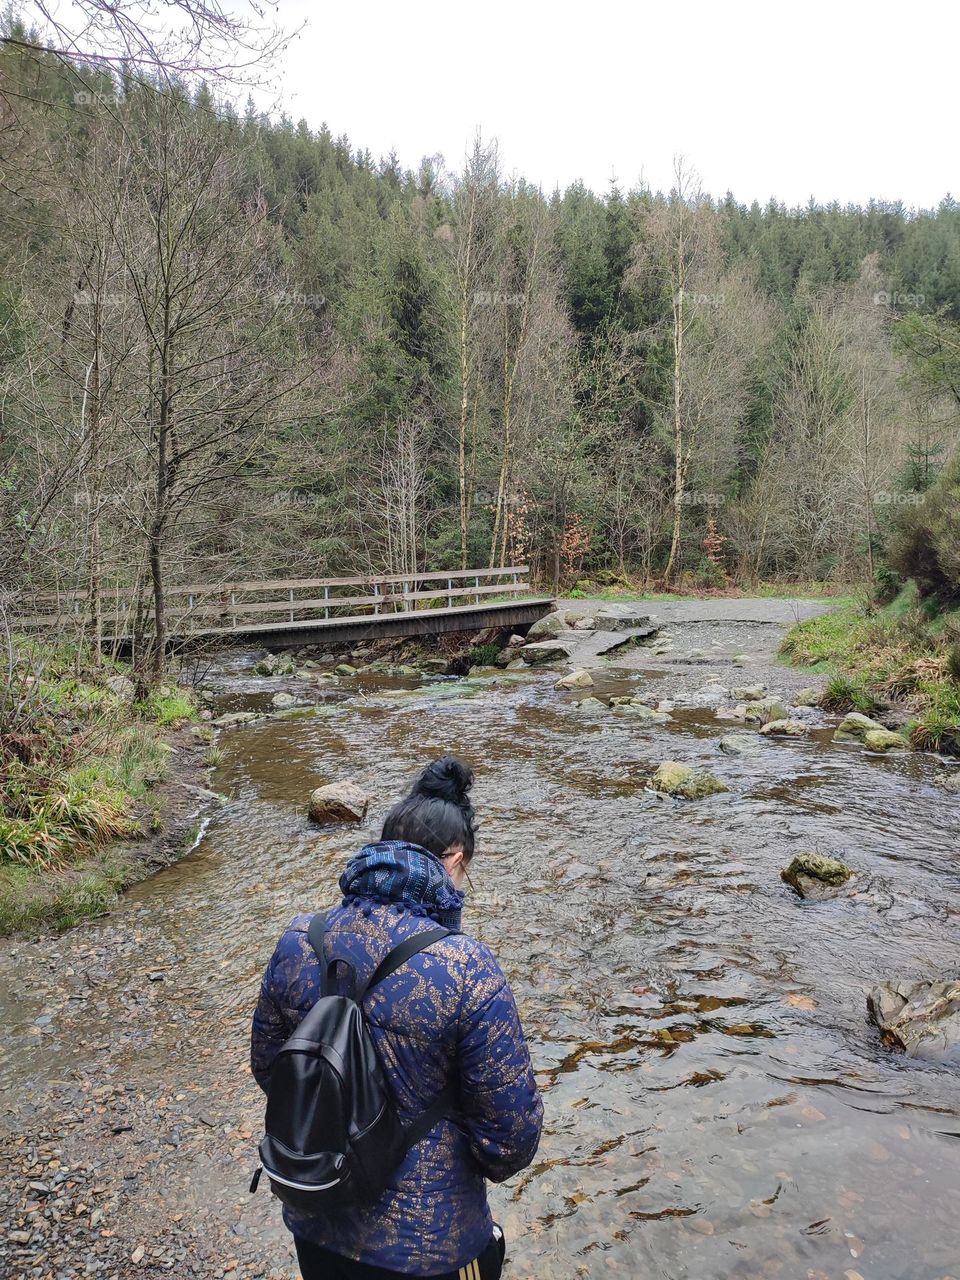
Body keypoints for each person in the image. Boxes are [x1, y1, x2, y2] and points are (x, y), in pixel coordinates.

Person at [250, 756, 543, 1280]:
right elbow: (510, 1141)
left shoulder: (299, 940)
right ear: (453, 859)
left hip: (315, 1213)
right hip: (431, 1247)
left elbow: (271, 1068)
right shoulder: (467, 967)